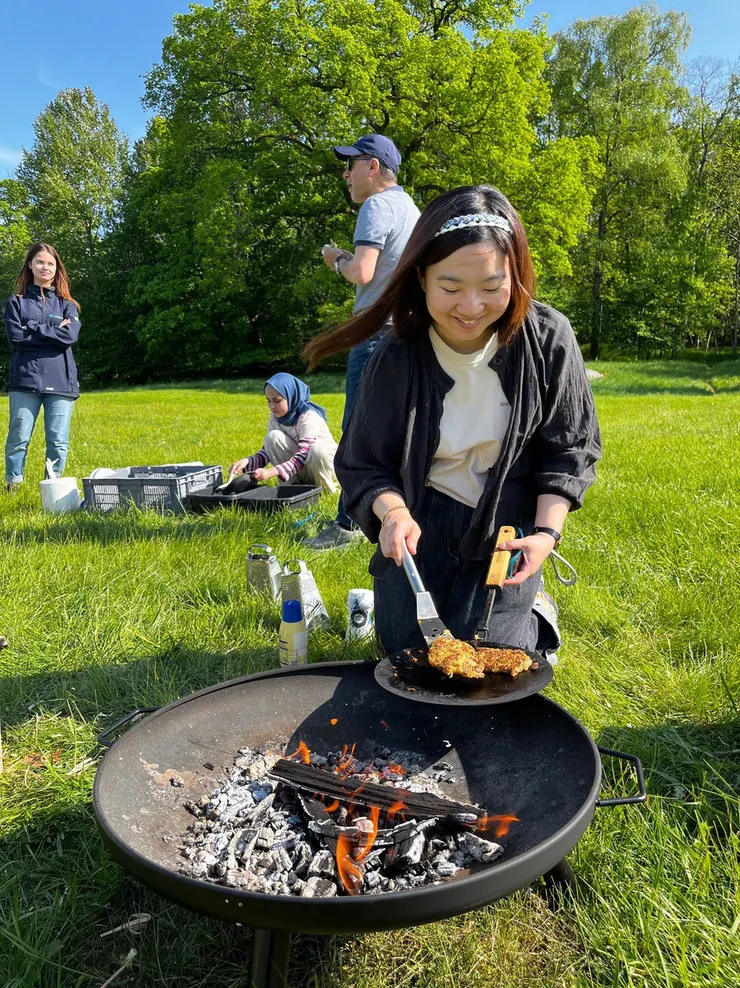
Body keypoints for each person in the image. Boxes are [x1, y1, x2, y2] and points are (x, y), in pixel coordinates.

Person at [303, 185, 601, 655]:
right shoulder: (397, 354)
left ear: (516, 276)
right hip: (424, 519)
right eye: (450, 286)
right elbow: (362, 463)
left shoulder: (548, 340)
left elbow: (569, 450)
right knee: (407, 652)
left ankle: (536, 607)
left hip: (507, 523)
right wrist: (394, 514)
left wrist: (545, 534)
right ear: (420, 277)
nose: (470, 307)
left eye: (491, 286)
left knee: (494, 656)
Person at [304, 134, 420, 549]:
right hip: (410, 332)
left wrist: (334, 257)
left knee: (356, 429)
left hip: (374, 334)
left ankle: (346, 525)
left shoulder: (377, 205)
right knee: (401, 429)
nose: (346, 174)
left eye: (351, 165)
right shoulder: (411, 209)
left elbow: (363, 272)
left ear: (372, 167)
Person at [4, 243, 81, 491]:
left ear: (56, 268)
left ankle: (53, 485)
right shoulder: (16, 303)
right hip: (24, 381)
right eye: (40, 262)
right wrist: (52, 331)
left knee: (58, 441)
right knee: (18, 437)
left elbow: (69, 337)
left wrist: (34, 329)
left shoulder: (68, 305)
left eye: (50, 263)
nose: (45, 267)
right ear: (30, 264)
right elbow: (17, 338)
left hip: (61, 381)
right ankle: (13, 483)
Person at [230, 373, 338, 492]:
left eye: (277, 401)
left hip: (325, 467)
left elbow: (302, 455)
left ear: (292, 396)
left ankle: (326, 489)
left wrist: (271, 472)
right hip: (302, 468)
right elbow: (268, 451)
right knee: (272, 437)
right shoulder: (276, 418)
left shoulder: (308, 416)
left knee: (317, 448)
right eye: (268, 401)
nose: (272, 406)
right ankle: (291, 488)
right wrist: (247, 462)